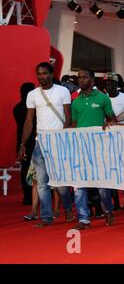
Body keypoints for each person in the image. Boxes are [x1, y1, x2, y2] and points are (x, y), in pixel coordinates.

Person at [19, 62, 74, 227]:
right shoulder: (33, 94)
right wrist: (22, 143)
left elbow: (68, 117)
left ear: (51, 74)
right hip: (39, 143)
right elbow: (29, 120)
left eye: (45, 73)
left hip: (58, 141)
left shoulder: (62, 91)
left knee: (60, 182)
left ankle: (69, 209)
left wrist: (62, 137)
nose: (42, 76)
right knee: (41, 183)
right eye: (39, 74)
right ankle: (46, 217)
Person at [70, 68, 117, 230]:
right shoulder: (75, 101)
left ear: (92, 80)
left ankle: (108, 211)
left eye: (84, 77)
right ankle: (83, 218)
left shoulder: (103, 98)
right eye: (79, 78)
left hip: (99, 148)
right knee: (79, 185)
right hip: (80, 149)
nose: (81, 80)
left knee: (102, 184)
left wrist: (108, 124)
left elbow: (113, 119)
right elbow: (74, 125)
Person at [103, 72, 124, 211]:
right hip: (107, 139)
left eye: (112, 83)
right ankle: (115, 202)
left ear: (117, 84)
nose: (109, 86)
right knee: (112, 170)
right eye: (107, 83)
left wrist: (117, 123)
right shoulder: (102, 98)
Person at [14, 82, 36, 207]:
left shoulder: (17, 108)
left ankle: (27, 196)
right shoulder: (34, 108)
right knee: (40, 168)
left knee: (25, 169)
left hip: (22, 142)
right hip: (34, 141)